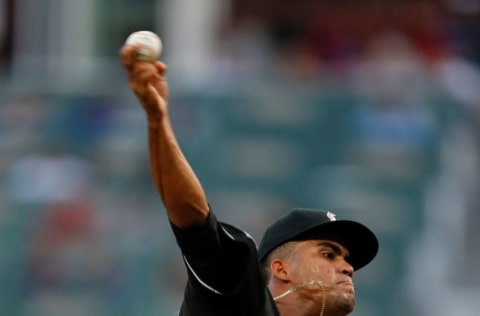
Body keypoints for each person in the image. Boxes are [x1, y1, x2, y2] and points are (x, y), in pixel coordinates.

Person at [119, 41, 379, 316]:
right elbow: (193, 221)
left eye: (345, 259)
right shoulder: (241, 299)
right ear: (281, 269)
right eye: (328, 254)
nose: (348, 267)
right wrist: (157, 121)